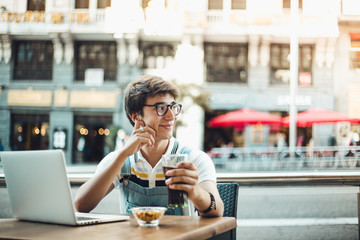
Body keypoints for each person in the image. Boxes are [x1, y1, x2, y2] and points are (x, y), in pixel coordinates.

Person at [74, 75, 224, 217]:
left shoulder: (192, 158)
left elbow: (218, 210)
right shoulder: (122, 160)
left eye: (173, 107)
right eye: (161, 108)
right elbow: (81, 205)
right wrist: (123, 154)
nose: (171, 116)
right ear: (136, 116)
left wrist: (195, 192)